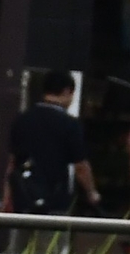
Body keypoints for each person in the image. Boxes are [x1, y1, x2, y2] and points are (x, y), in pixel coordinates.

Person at [6, 70, 100, 217]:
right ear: (67, 91)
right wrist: (91, 192)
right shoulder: (70, 124)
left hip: (24, 200)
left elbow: (12, 163)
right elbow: (80, 166)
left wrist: (8, 195)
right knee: (52, 240)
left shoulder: (23, 120)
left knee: (22, 239)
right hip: (54, 201)